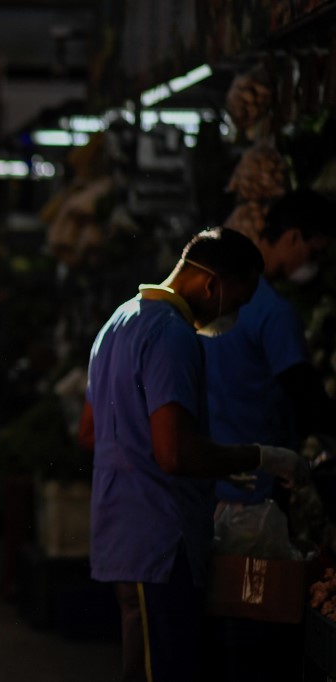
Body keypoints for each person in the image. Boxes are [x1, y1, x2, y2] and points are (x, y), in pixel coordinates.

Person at [78, 227, 309, 682]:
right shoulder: (172, 334)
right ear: (212, 285)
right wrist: (258, 457)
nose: (235, 315)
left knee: (146, 662)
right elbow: (174, 454)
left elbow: (90, 432)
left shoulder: (118, 320)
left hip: (122, 533)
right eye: (238, 302)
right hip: (159, 541)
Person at [201, 190, 336, 682]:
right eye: (316, 251)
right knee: (253, 633)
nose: (315, 263)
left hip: (210, 490)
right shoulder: (273, 311)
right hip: (256, 499)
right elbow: (304, 393)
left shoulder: (215, 305)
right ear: (293, 238)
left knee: (219, 632)